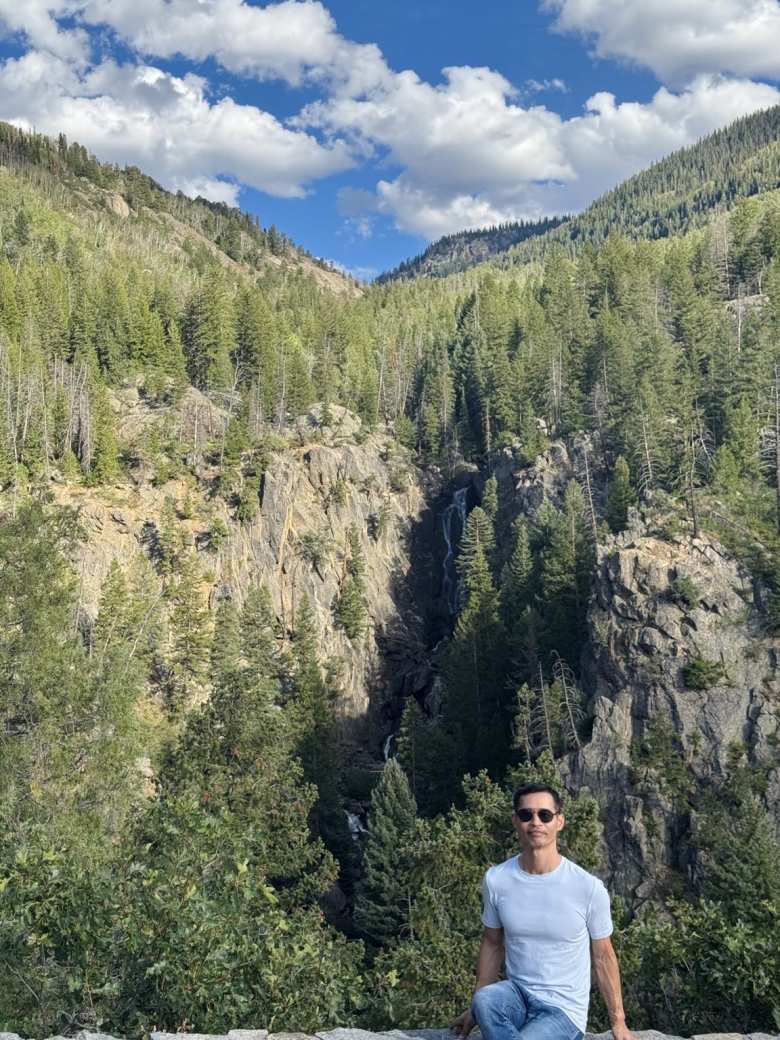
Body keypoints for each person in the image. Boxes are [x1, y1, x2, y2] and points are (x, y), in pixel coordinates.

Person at [451, 783, 633, 1040]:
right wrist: (475, 1010)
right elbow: (492, 943)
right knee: (485, 999)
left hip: (563, 1011)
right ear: (516, 821)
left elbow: (603, 955)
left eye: (545, 815)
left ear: (559, 821)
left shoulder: (587, 887)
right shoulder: (497, 879)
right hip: (517, 998)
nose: (535, 822)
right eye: (526, 814)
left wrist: (618, 1022)